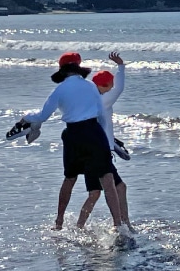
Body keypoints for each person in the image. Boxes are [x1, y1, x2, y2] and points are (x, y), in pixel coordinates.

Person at [12, 52, 128, 234]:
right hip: (94, 132)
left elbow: (42, 115)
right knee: (107, 179)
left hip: (72, 135)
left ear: (62, 69)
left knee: (70, 179)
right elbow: (101, 116)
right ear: (78, 68)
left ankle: (58, 222)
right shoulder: (90, 86)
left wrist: (25, 119)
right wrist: (106, 141)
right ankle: (118, 226)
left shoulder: (59, 90)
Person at [77, 52, 132, 230]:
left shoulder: (89, 99)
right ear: (103, 85)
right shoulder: (104, 99)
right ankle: (123, 225)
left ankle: (78, 227)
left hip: (88, 152)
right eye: (109, 86)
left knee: (95, 193)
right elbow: (120, 89)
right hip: (99, 154)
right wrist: (121, 67)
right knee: (119, 187)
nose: (111, 89)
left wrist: (113, 143)